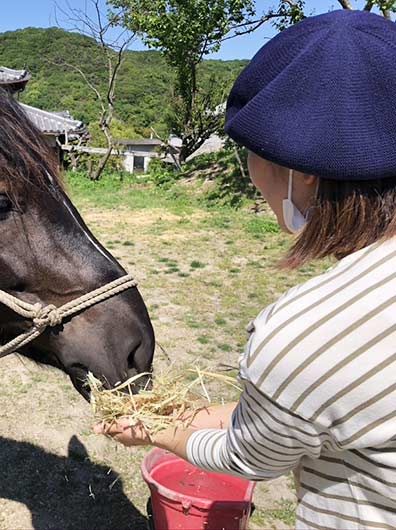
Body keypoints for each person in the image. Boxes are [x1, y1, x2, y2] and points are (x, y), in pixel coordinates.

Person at [95, 9, 396, 530]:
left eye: (249, 157)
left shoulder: (307, 334)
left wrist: (151, 428)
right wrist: (175, 414)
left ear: (300, 174)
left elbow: (250, 457)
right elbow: (309, 415)